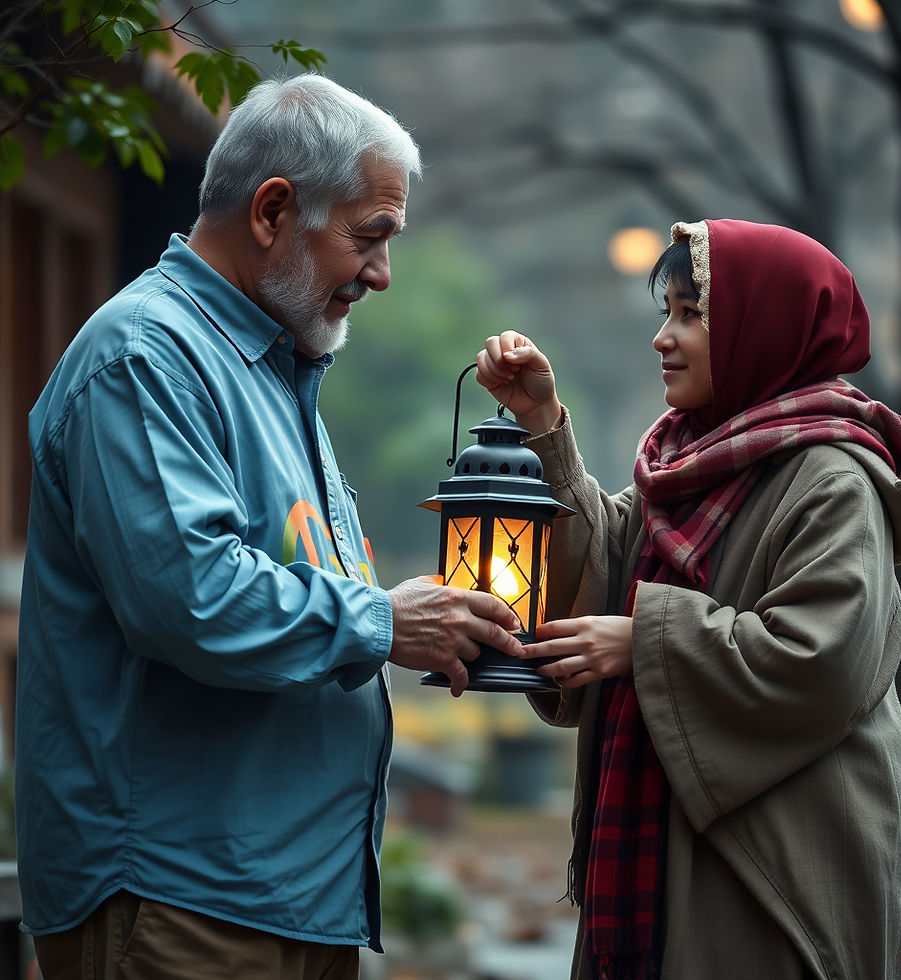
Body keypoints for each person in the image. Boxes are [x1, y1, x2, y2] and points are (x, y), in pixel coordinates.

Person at [15, 73, 524, 980]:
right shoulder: (147, 356)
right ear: (273, 211)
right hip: (180, 898)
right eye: (370, 237)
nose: (382, 274)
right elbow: (191, 597)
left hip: (282, 897)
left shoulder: (271, 367)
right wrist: (384, 622)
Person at [477, 218, 901, 980]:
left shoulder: (834, 478)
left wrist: (641, 640)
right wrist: (544, 428)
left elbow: (824, 659)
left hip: (774, 876)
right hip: (663, 850)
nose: (664, 336)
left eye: (693, 313)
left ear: (767, 329)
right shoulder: (684, 460)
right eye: (666, 312)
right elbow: (610, 561)